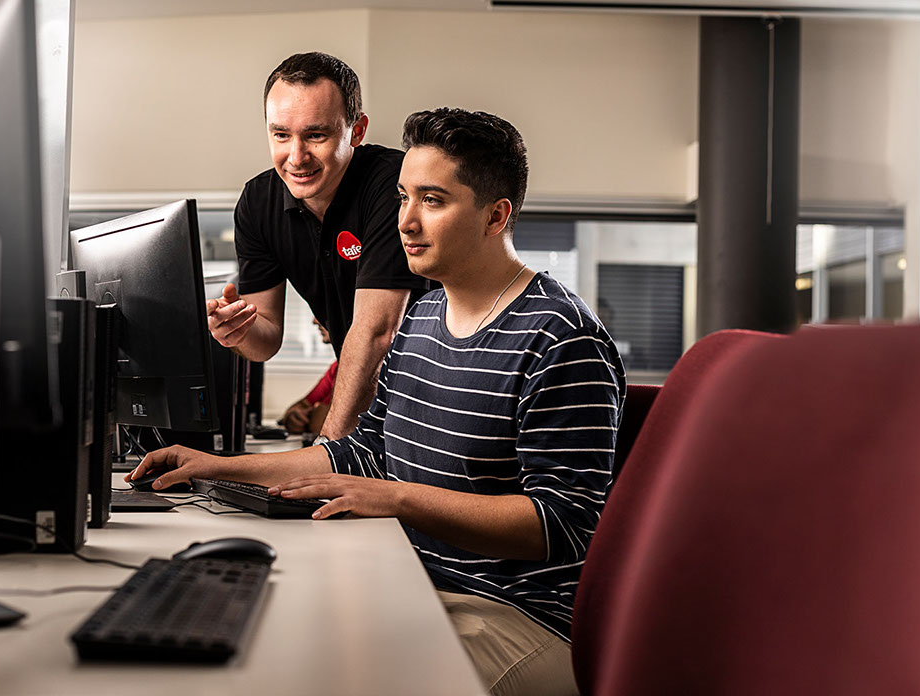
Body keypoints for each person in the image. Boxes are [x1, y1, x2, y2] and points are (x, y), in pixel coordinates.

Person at [131, 108, 625, 696]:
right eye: (402, 197)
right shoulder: (423, 317)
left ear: (496, 216)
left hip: (517, 616)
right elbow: (359, 455)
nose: (406, 223)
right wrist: (214, 467)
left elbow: (566, 526)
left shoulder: (561, 338)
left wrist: (395, 498)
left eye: (433, 201)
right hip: (414, 580)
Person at [207, 51, 430, 440]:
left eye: (315, 135)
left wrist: (329, 447)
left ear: (356, 131)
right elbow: (266, 339)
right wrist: (238, 332)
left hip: (433, 396)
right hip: (366, 397)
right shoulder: (258, 204)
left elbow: (378, 330)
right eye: (281, 135)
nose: (296, 157)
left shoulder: (393, 184)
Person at [280, 319, 338, 437]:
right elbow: (300, 406)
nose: (314, 321)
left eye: (326, 310)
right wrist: (293, 418)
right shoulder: (336, 367)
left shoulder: (364, 368)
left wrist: (312, 417)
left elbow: (321, 425)